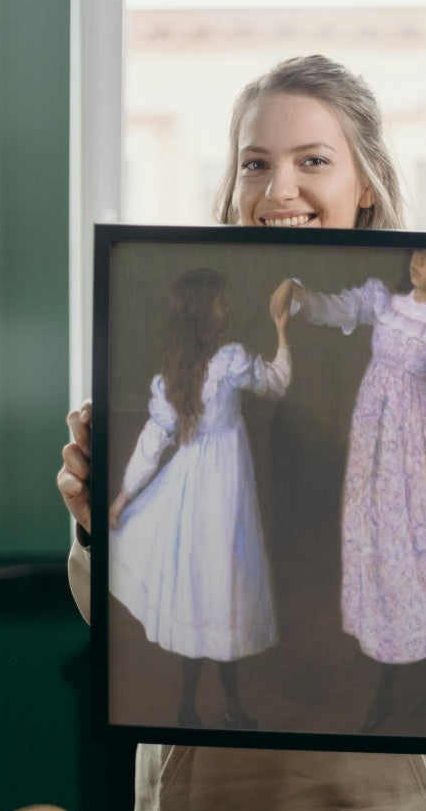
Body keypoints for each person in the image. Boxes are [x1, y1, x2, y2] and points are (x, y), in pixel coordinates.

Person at [58, 55, 426, 811]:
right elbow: (116, 619)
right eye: (254, 161)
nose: (277, 186)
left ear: (366, 181)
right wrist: (97, 520)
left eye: (312, 160)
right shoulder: (175, 332)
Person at [269, 250, 426, 732]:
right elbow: (335, 307)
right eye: (420, 251)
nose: (421, 261)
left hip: (412, 448)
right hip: (371, 443)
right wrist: (297, 289)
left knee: (406, 558)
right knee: (377, 551)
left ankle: (385, 692)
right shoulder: (385, 302)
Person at [107, 268, 291, 730]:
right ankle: (212, 705)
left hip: (200, 490)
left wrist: (126, 492)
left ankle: (205, 705)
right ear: (202, 313)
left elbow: (156, 437)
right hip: (218, 493)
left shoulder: (185, 371)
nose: (227, 308)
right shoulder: (228, 362)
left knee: (208, 589)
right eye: (220, 302)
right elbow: (276, 382)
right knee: (218, 588)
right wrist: (283, 334)